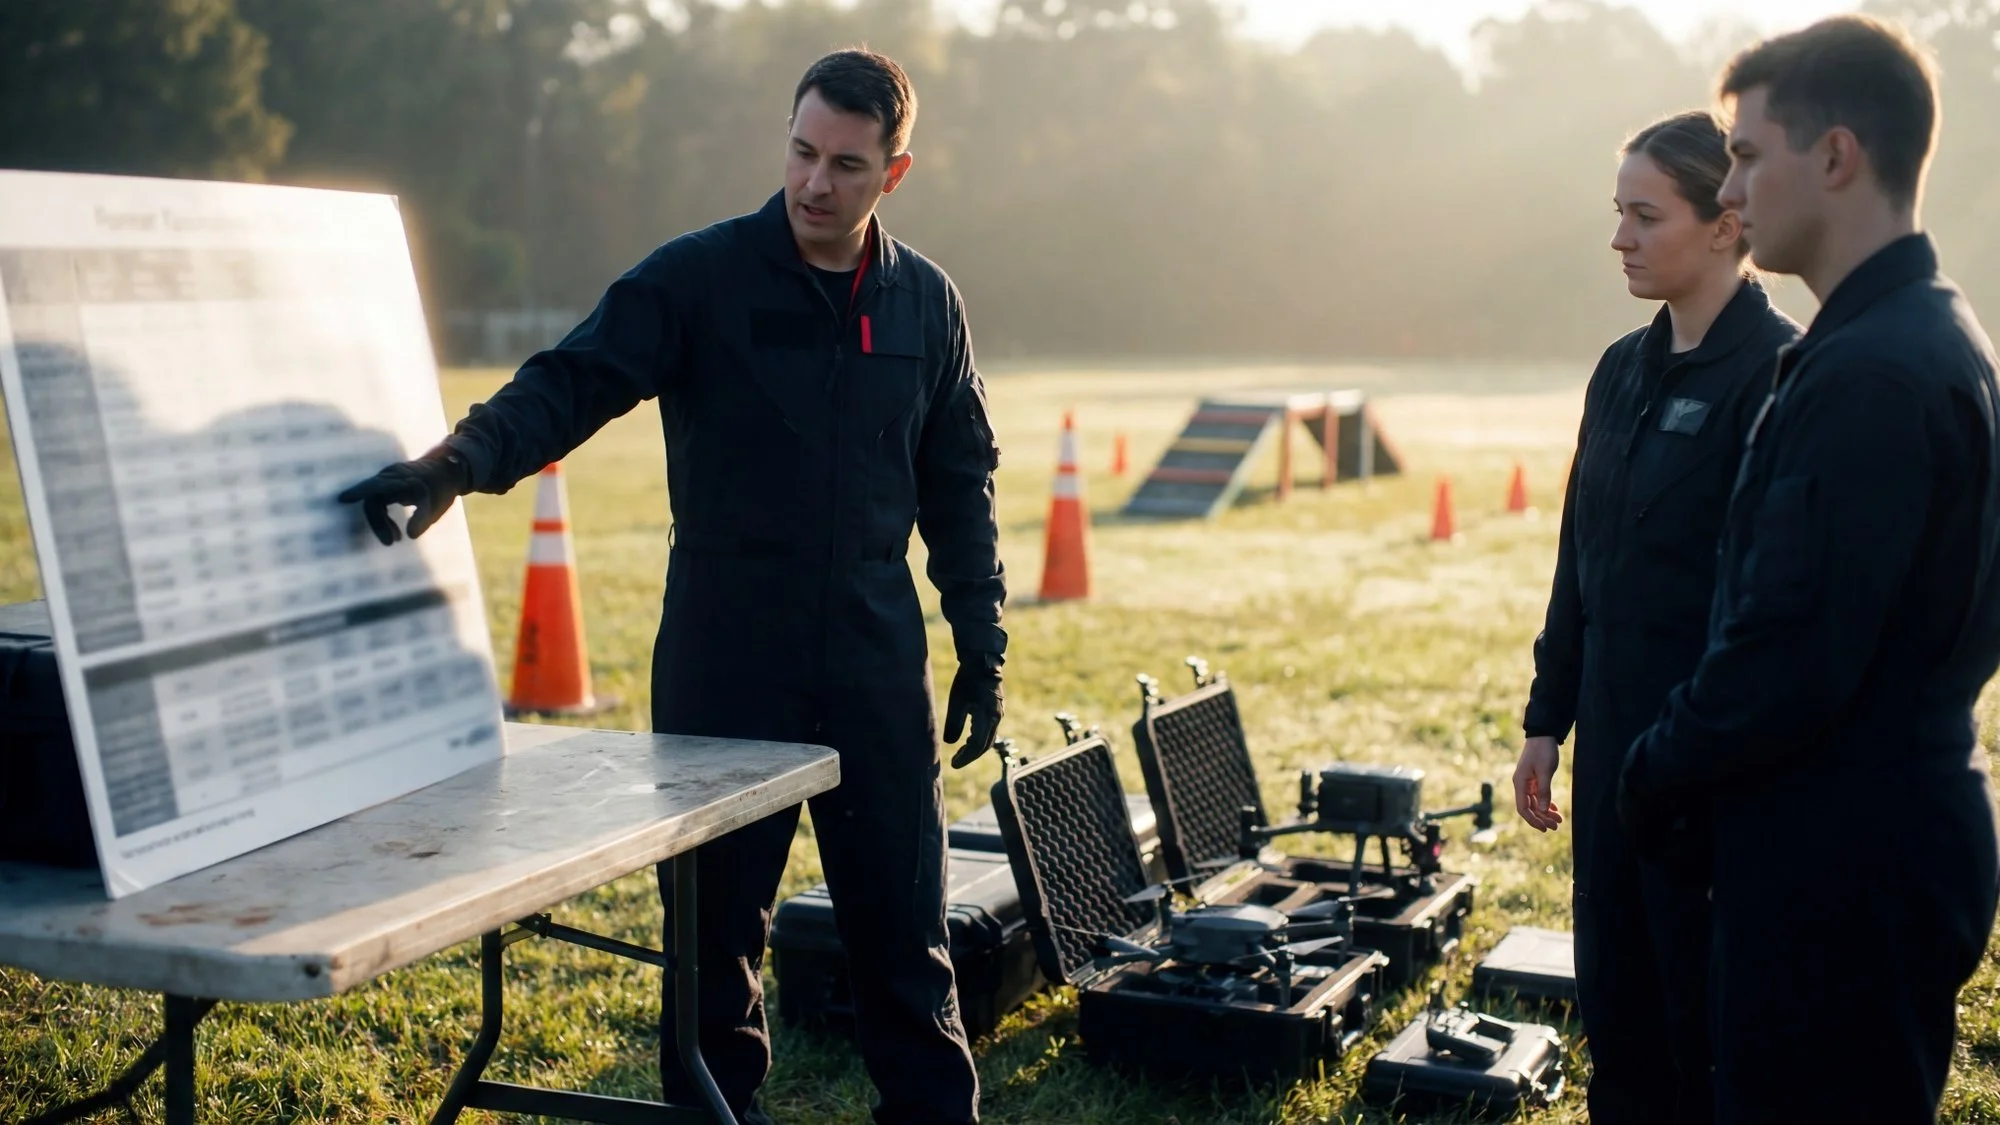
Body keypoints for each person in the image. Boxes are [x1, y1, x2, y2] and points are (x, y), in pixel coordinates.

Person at [339, 49, 1004, 1125]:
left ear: (896, 171)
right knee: (709, 958)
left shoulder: (926, 303)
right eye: (799, 153)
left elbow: (958, 479)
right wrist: (458, 462)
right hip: (725, 657)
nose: (813, 185)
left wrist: (981, 640)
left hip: (877, 661)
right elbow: (576, 376)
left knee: (906, 951)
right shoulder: (701, 278)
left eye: (845, 164)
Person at [1615, 15, 2000, 1122]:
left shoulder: (1871, 375)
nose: (1728, 191)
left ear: (1833, 156)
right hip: (1874, 846)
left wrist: (1649, 770)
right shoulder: (1921, 331)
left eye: (1742, 154)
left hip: (1841, 872)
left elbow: (1784, 658)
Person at [1513, 110, 1799, 1123]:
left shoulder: (1780, 375)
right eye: (1615, 213)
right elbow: (1577, 557)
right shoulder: (1616, 370)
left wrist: (1693, 756)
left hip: (1714, 778)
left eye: (1645, 215)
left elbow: (1775, 611)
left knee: (1705, 1032)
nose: (1619, 239)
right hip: (1610, 758)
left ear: (1724, 223)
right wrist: (1546, 717)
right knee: (1619, 1015)